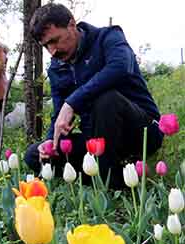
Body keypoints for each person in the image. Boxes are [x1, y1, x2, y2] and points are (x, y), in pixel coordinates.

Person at [24, 3, 163, 188]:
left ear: (72, 25)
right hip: (97, 140)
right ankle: (121, 174)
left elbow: (121, 68)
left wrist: (72, 102)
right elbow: (60, 114)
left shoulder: (108, 37)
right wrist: (51, 141)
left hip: (140, 131)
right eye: (46, 46)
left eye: (55, 40)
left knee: (106, 100)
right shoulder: (57, 68)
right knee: (34, 155)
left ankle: (110, 184)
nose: (53, 51)